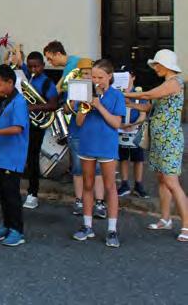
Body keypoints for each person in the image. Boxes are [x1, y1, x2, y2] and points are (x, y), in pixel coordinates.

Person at [125, 49, 188, 243]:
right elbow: (148, 106)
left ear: (165, 65)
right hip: (160, 138)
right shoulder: (167, 83)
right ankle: (165, 218)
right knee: (162, 179)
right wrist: (129, 103)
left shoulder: (174, 83)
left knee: (171, 182)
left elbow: (149, 96)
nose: (155, 69)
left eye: (157, 65)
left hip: (170, 138)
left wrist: (124, 93)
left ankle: (186, 225)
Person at [72, 59, 125, 248]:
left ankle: (112, 229)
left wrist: (99, 106)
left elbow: (117, 123)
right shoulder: (86, 94)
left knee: (110, 187)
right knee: (87, 184)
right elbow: (78, 122)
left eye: (100, 77)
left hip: (106, 146)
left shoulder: (117, 96)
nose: (96, 81)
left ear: (109, 77)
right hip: (87, 143)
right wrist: (84, 107)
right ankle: (87, 226)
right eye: (93, 77)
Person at [0, 65, 30, 247]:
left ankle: (17, 230)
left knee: (12, 195)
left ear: (10, 82)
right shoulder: (5, 100)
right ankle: (7, 225)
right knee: (2, 193)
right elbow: (2, 124)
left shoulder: (18, 102)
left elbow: (17, 128)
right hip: (1, 155)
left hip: (12, 156)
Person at [64, 58, 107, 218]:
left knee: (97, 170)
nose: (87, 77)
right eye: (84, 73)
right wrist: (72, 102)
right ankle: (79, 200)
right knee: (77, 168)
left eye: (90, 73)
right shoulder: (75, 87)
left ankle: (100, 202)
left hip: (95, 134)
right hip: (77, 132)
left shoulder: (102, 90)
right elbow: (67, 110)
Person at [22, 51, 58, 209]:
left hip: (37, 125)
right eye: (30, 67)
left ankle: (33, 193)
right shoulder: (25, 80)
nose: (33, 69)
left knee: (32, 158)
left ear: (43, 66)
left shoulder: (47, 83)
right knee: (18, 156)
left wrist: (33, 107)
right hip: (23, 123)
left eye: (36, 66)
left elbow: (52, 105)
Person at [116, 66, 148, 198]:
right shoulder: (118, 93)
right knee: (123, 157)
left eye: (127, 76)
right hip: (120, 129)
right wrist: (121, 124)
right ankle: (124, 184)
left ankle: (138, 184)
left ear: (133, 77)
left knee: (138, 158)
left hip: (135, 130)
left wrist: (133, 124)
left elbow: (143, 113)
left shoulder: (139, 93)